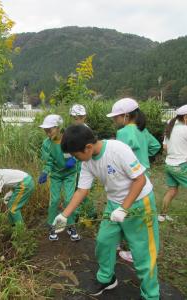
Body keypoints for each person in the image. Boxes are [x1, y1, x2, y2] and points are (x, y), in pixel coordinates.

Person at [53, 125, 160, 300]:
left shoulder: (118, 150)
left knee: (143, 253)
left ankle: (151, 295)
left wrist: (124, 208)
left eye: (75, 155)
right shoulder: (87, 161)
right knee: (104, 241)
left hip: (140, 203)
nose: (76, 159)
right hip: (113, 204)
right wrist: (64, 215)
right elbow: (82, 190)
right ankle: (107, 278)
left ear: (88, 147)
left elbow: (139, 179)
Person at [107, 98, 161, 262]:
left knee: (123, 208)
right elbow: (156, 146)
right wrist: (143, 158)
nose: (114, 120)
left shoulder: (123, 133)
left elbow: (118, 155)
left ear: (126, 115)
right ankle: (124, 244)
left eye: (116, 117)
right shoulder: (142, 130)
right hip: (144, 176)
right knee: (135, 212)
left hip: (130, 178)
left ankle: (126, 247)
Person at [160, 104, 187, 226]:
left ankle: (162, 215)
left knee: (172, 190)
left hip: (169, 165)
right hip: (179, 167)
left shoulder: (170, 129)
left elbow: (165, 147)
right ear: (186, 117)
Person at [38, 114, 81, 241]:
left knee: (69, 200)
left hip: (70, 174)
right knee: (55, 200)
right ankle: (53, 226)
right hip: (56, 175)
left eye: (49, 130)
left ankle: (70, 226)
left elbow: (79, 153)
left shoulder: (69, 139)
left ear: (58, 128)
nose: (47, 133)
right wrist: (45, 172)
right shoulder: (47, 144)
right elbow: (49, 161)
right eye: (45, 130)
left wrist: (74, 159)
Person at [70, 104, 97, 219]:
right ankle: (80, 211)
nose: (78, 120)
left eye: (80, 117)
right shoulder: (71, 130)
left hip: (86, 163)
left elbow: (91, 148)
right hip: (76, 164)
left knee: (83, 188)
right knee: (76, 187)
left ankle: (89, 212)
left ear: (84, 117)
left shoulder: (86, 130)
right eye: (75, 118)